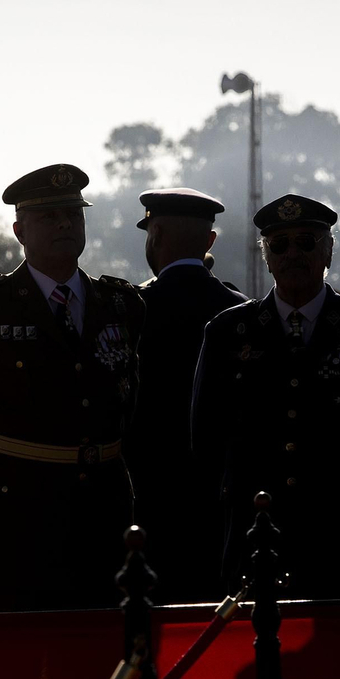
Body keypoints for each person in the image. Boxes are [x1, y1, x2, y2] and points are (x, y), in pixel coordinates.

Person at [0, 163, 145, 611]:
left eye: (73, 214)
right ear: (20, 229)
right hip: (16, 521)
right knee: (14, 669)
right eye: (49, 216)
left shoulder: (121, 303)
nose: (64, 223)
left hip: (104, 518)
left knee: (99, 666)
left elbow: (136, 410)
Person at [193, 194, 340, 596]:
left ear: (329, 249)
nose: (293, 253)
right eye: (279, 244)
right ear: (266, 256)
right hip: (258, 536)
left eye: (307, 242)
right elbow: (205, 442)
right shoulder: (228, 332)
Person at [130, 187, 244, 601]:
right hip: (220, 505)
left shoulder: (133, 309)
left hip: (149, 503)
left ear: (155, 233)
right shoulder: (239, 311)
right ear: (210, 241)